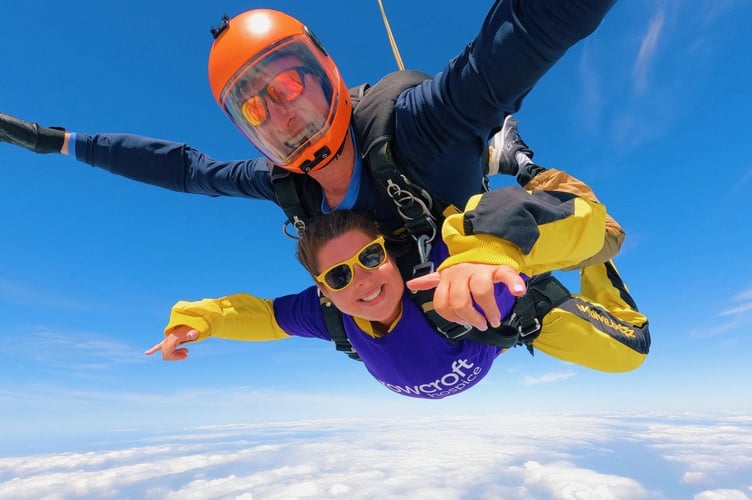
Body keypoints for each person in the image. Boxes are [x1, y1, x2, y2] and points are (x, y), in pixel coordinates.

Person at [0, 0, 618, 241]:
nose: (280, 110)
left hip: (451, 184)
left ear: (324, 70)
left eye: (288, 82)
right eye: (254, 106)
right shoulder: (283, 181)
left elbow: (528, 33)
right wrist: (55, 142)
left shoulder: (420, 124)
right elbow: (188, 170)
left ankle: (508, 154)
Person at [145, 156, 650, 400]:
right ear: (324, 291)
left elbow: (519, 216)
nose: (362, 282)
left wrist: (491, 250)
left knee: (612, 269)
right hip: (495, 338)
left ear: (389, 252)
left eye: (369, 258)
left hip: (513, 302)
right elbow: (262, 316)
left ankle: (519, 161)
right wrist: (198, 322)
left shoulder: (433, 275)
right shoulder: (328, 315)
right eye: (340, 276)